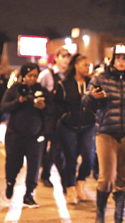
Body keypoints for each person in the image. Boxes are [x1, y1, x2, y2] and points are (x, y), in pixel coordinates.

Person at [83, 43, 125, 223]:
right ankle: (100, 215)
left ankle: (118, 218)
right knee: (106, 178)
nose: (121, 61)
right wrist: (92, 97)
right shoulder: (100, 76)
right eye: (118, 58)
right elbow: (85, 101)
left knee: (123, 179)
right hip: (106, 132)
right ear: (112, 59)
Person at [1, 62, 51, 208]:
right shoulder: (15, 89)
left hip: (36, 135)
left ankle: (29, 194)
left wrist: (44, 107)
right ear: (23, 76)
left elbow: (51, 110)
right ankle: (10, 182)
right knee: (13, 163)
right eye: (30, 75)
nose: (33, 79)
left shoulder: (41, 91)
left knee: (34, 166)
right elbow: (3, 106)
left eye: (35, 76)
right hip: (15, 135)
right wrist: (19, 101)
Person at [53, 53, 96, 204]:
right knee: (70, 158)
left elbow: (99, 103)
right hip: (68, 127)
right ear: (76, 66)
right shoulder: (64, 84)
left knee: (89, 158)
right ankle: (70, 189)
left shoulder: (93, 83)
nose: (88, 67)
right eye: (85, 64)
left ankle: (81, 184)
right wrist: (64, 116)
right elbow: (56, 104)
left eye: (89, 65)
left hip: (88, 125)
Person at [38, 46, 71, 189]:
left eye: (68, 57)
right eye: (63, 56)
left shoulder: (69, 76)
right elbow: (37, 92)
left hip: (64, 118)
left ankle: (46, 174)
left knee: (57, 149)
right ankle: (58, 179)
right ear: (56, 57)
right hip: (49, 118)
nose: (66, 60)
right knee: (54, 148)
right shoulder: (47, 74)